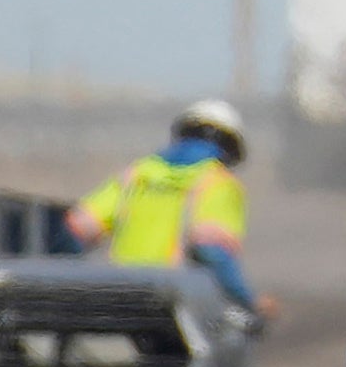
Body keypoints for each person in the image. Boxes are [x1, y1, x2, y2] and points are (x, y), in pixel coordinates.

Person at [72, 98, 265, 322]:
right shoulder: (218, 183)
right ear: (231, 149)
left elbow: (78, 227)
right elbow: (212, 251)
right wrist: (248, 301)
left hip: (119, 300)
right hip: (173, 307)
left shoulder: (137, 175)